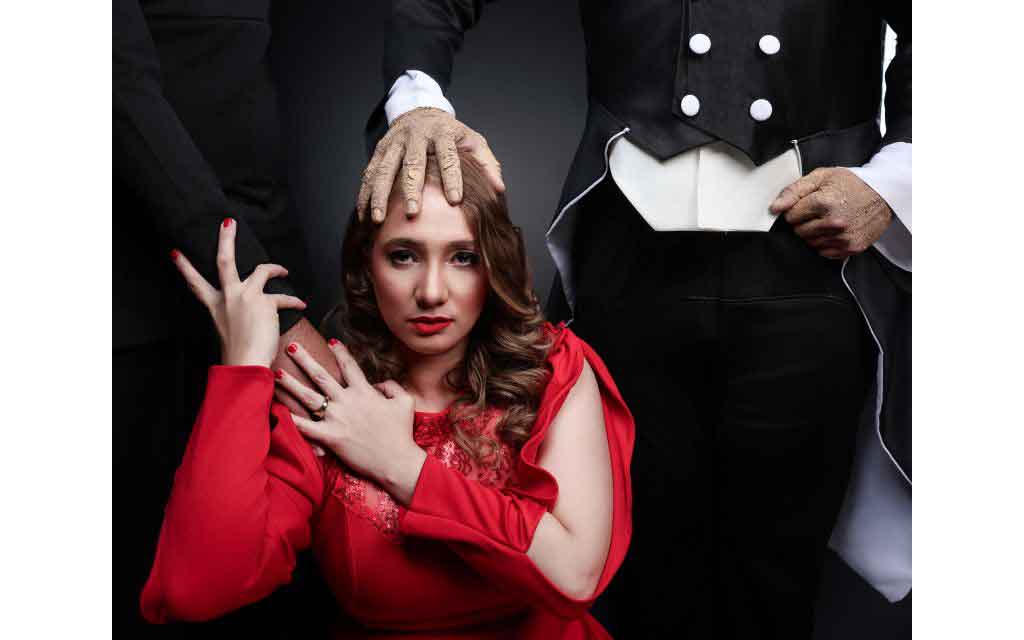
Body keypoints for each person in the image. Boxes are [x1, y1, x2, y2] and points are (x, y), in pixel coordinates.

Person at [357, 1, 912, 637]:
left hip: (811, 271)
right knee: (641, 576)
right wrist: (418, 104)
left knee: (777, 581)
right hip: (628, 268)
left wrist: (894, 177)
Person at [140, 153, 635, 639]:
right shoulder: (328, 397)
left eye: (463, 257)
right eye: (404, 256)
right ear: (366, 266)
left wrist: (402, 465)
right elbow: (196, 588)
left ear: (493, 267)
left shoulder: (551, 368)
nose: (432, 291)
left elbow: (575, 576)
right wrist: (243, 370)